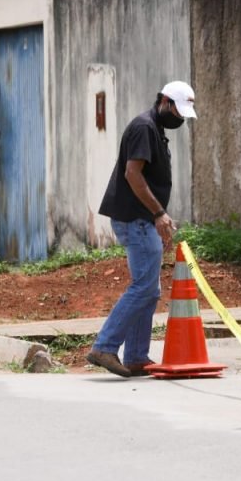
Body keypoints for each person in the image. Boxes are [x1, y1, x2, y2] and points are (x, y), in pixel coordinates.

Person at [86, 81, 196, 377]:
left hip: (142, 218)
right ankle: (105, 346)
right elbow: (132, 174)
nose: (180, 118)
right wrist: (159, 213)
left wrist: (159, 216)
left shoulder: (155, 130)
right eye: (178, 111)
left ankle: (135, 356)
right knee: (145, 286)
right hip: (135, 218)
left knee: (149, 288)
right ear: (163, 101)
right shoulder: (144, 127)